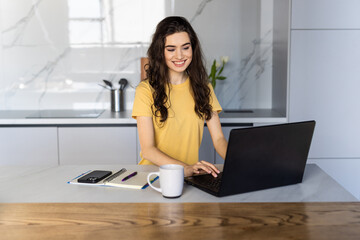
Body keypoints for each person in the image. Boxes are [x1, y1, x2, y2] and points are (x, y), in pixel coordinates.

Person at [132, 16, 227, 177]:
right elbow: (148, 150)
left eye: (185, 47)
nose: (180, 55)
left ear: (193, 48)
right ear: (160, 51)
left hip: (189, 177)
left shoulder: (204, 88)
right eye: (171, 49)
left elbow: (218, 140)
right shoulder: (145, 90)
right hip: (152, 176)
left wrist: (240, 162)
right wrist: (186, 168)